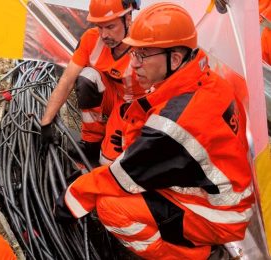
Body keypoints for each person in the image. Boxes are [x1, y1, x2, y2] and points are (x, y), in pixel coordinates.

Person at [54, 3, 255, 259]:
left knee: (111, 207)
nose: (134, 64)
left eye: (143, 54)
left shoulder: (176, 124)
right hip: (223, 194)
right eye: (134, 53)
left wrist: (71, 200)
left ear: (175, 58)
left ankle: (188, 255)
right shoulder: (207, 78)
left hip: (219, 214)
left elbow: (123, 176)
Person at [41, 0, 146, 165]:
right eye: (99, 26)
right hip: (111, 95)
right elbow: (67, 80)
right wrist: (46, 122)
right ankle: (92, 142)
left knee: (107, 163)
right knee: (87, 77)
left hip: (132, 106)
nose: (104, 35)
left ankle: (109, 140)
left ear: (128, 19)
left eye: (110, 27)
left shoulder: (144, 46)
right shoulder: (91, 39)